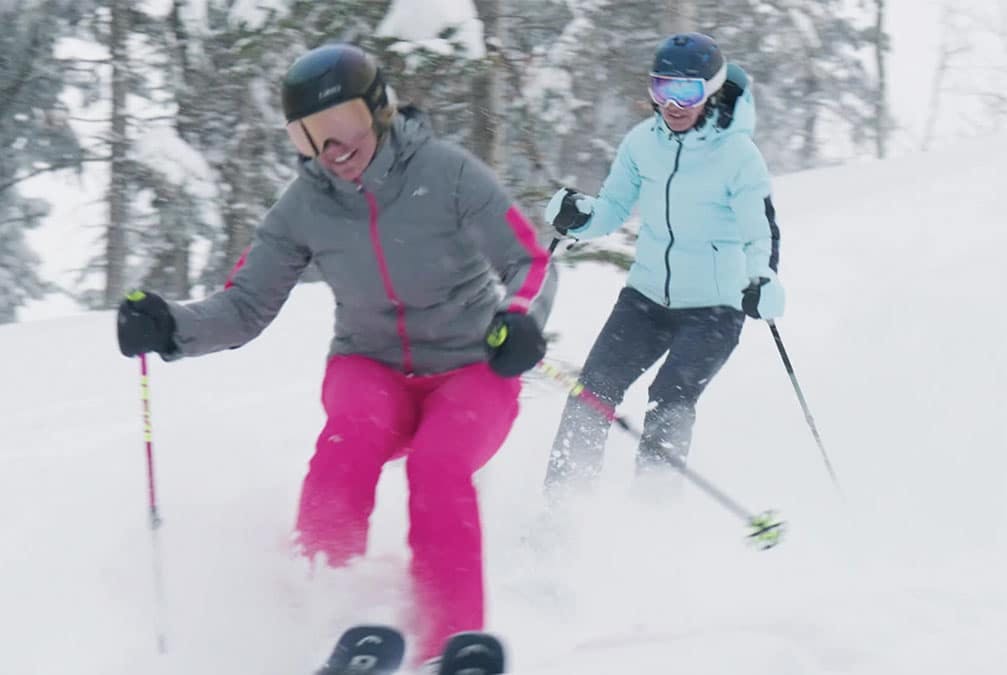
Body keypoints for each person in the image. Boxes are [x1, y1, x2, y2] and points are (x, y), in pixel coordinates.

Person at [115, 43, 556, 664]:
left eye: (342, 123)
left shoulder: (448, 172)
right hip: (370, 366)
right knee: (348, 443)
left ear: (378, 110)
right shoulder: (304, 207)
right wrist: (171, 328)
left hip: (470, 368)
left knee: (438, 464)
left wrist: (521, 318)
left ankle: (448, 644)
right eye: (308, 133)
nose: (331, 145)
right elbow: (245, 305)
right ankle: (333, 616)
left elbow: (525, 260)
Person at [542, 33, 783, 498]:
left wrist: (762, 279)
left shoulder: (738, 157)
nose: (673, 103)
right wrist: (580, 217)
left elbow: (761, 231)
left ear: (710, 91)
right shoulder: (641, 144)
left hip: (716, 306)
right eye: (662, 88)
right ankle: (561, 510)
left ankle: (653, 518)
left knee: (670, 399)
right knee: (592, 390)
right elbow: (611, 208)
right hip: (646, 298)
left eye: (688, 91)